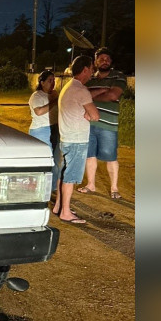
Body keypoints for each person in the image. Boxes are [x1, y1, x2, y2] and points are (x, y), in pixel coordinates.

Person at [53, 55, 100, 223]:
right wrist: (88, 114)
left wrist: (86, 113)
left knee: (64, 173)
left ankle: (59, 205)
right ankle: (66, 212)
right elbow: (95, 115)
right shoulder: (81, 90)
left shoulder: (67, 87)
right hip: (77, 140)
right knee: (71, 176)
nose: (92, 73)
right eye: (92, 69)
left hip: (66, 138)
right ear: (85, 69)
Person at [78, 47, 128, 199]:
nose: (104, 61)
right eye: (101, 59)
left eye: (107, 59)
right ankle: (90, 184)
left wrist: (90, 96)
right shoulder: (90, 78)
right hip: (88, 124)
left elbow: (112, 95)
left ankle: (114, 188)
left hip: (108, 124)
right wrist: (101, 91)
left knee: (110, 156)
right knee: (90, 155)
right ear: (95, 61)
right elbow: (81, 95)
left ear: (111, 62)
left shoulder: (118, 76)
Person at [28, 69, 60, 198]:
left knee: (57, 162)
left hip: (55, 129)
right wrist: (54, 101)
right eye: (49, 80)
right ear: (42, 82)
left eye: (54, 80)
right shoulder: (36, 96)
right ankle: (38, 190)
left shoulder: (54, 94)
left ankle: (53, 189)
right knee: (45, 162)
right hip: (41, 130)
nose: (52, 83)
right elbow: (39, 112)